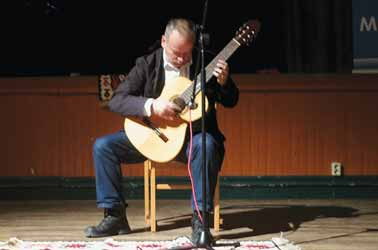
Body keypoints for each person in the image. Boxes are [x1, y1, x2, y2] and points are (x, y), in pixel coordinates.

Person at [85, 18, 239, 245]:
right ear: (163, 42)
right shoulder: (147, 64)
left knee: (206, 144)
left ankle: (200, 222)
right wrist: (151, 106)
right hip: (154, 136)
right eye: (177, 53)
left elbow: (232, 100)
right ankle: (115, 216)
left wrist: (225, 83)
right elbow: (117, 100)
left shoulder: (203, 64)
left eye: (187, 53)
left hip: (191, 142)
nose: (183, 59)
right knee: (103, 146)